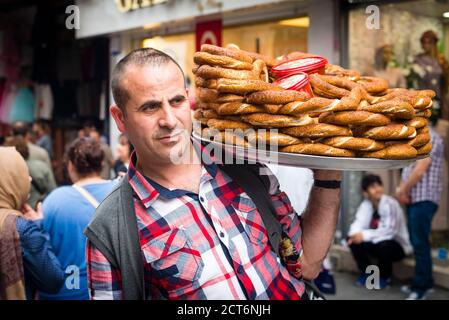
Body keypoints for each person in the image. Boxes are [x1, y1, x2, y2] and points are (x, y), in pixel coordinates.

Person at [84, 48, 342, 300]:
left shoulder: (241, 163)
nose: (170, 120)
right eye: (150, 107)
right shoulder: (111, 229)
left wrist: (328, 174)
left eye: (176, 101)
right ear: (120, 118)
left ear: (188, 98)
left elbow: (307, 263)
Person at [40, 138, 116, 300]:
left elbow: (42, 252)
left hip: (67, 290)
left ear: (71, 166)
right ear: (102, 163)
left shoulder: (55, 200)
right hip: (114, 287)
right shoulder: (120, 192)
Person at [0, 147, 65, 300]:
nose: (28, 179)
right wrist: (38, 227)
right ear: (8, 181)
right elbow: (53, 281)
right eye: (21, 174)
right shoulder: (20, 229)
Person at [396, 122, 444, 300]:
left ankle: (420, 288)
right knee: (420, 242)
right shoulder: (418, 136)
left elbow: (420, 170)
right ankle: (426, 282)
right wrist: (403, 190)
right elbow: (409, 169)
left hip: (423, 198)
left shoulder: (429, 137)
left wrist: (403, 190)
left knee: (420, 244)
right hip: (415, 198)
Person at [347, 174, 412, 289]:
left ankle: (385, 277)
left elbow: (389, 231)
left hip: (397, 246)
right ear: (365, 193)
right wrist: (353, 235)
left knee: (384, 245)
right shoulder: (366, 204)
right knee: (352, 240)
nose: (377, 189)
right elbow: (358, 223)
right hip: (377, 242)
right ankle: (368, 273)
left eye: (379, 185)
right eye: (372, 187)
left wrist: (364, 235)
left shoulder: (390, 203)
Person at [3, 136, 57, 208]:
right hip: (39, 209)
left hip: (13, 212)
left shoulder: (5, 170)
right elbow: (53, 191)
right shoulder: (41, 166)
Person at [413, 30, 449, 121]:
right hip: (421, 97)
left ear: (434, 43)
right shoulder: (418, 59)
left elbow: (446, 78)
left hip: (438, 98)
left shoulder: (441, 59)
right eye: (424, 42)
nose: (426, 45)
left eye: (429, 42)